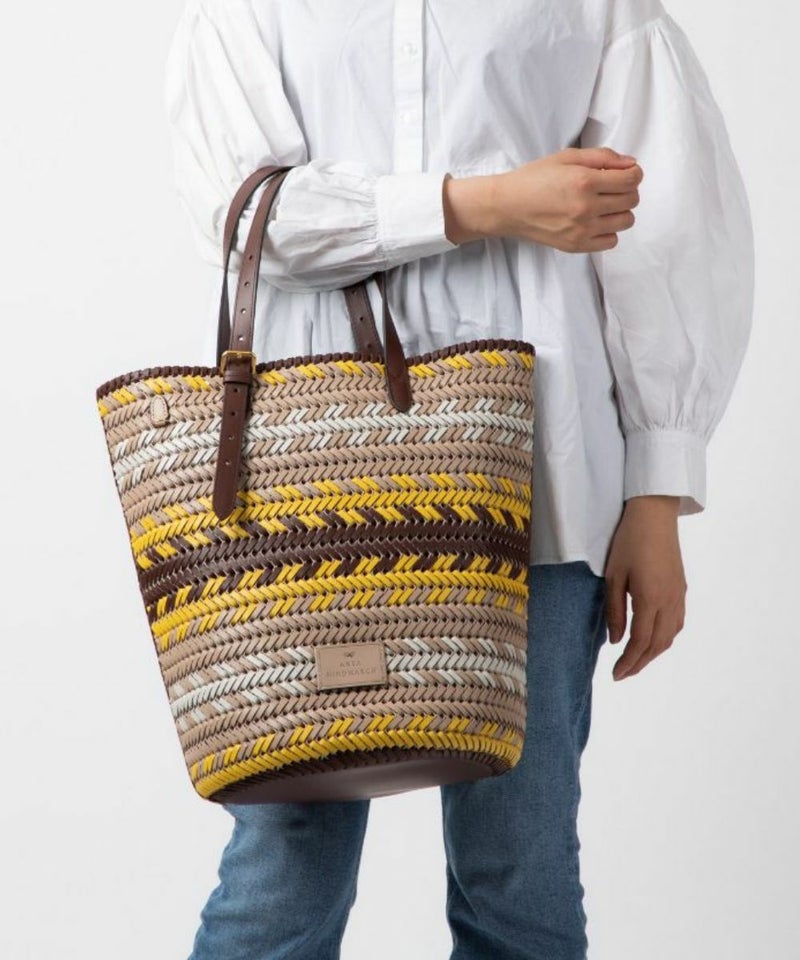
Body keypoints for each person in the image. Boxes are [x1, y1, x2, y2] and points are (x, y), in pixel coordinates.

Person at [163, 0, 754, 957]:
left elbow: (668, 230)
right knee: (283, 863)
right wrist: (487, 203)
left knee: (519, 866)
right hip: (308, 495)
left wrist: (658, 486)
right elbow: (248, 219)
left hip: (544, 482)